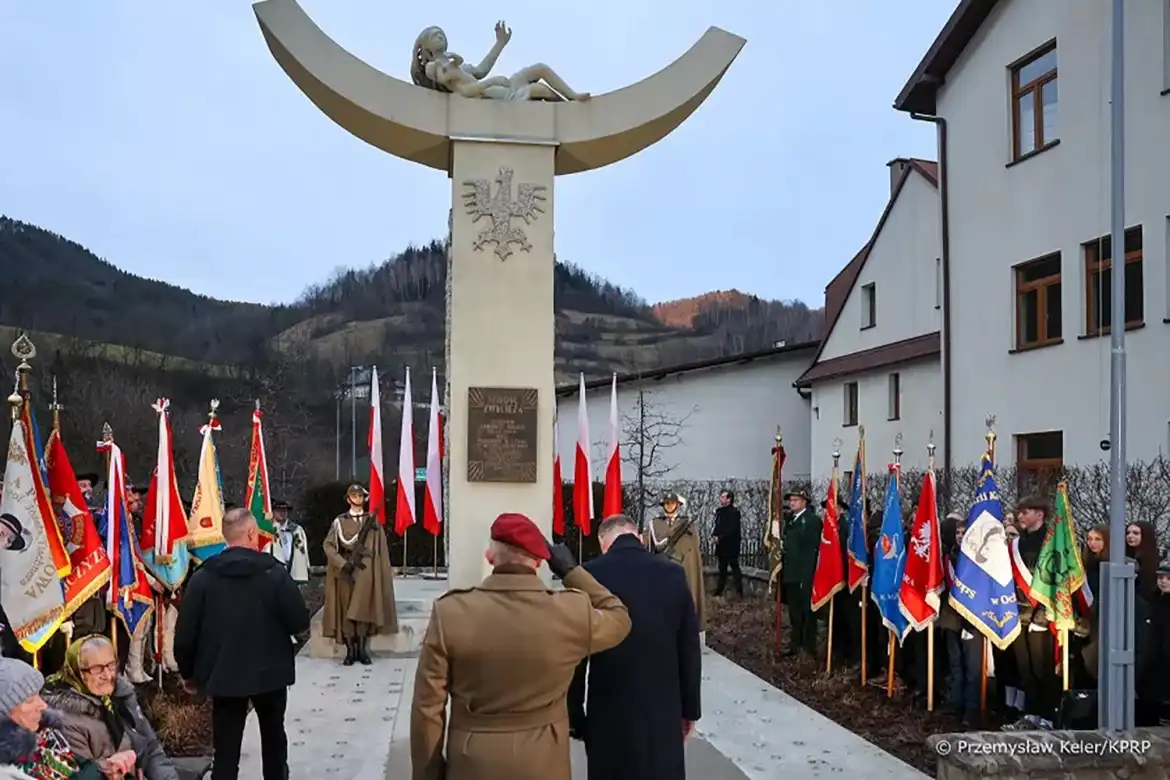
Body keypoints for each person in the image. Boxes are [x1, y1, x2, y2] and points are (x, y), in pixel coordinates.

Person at [410, 512, 631, 780]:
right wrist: (572, 572)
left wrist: (428, 774)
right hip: (544, 762)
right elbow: (619, 617)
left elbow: (427, 709)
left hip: (473, 762)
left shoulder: (450, 613)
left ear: (490, 557)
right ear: (539, 562)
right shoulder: (571, 612)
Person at [173, 507, 311, 780]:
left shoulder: (203, 578)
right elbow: (299, 621)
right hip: (271, 672)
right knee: (274, 740)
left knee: (225, 749)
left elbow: (186, 633)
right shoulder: (275, 573)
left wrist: (188, 673)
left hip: (224, 674)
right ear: (251, 533)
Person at [568, 514, 700, 780]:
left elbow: (576, 651)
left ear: (603, 543)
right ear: (639, 537)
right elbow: (688, 648)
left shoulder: (590, 576)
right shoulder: (673, 574)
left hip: (608, 709)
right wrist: (689, 710)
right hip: (662, 709)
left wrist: (574, 716)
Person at [42, 635, 178, 779]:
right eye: (96, 669)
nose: (107, 675)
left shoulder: (121, 697)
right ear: (76, 671)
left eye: (111, 665)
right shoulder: (66, 719)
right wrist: (109, 768)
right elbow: (82, 774)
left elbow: (150, 748)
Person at [0, 656, 117, 778]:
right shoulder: (7, 771)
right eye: (30, 700)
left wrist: (107, 770)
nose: (43, 705)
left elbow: (83, 768)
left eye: (38, 695)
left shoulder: (48, 737)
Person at [322, 484, 398, 666]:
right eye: (353, 496)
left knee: (364, 609)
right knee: (347, 610)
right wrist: (342, 563)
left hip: (366, 572)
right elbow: (329, 546)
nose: (357, 499)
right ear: (348, 499)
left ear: (365, 499)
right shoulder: (339, 522)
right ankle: (351, 651)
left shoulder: (372, 522)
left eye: (360, 496)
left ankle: (362, 650)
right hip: (346, 572)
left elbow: (379, 550)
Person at [1005, 495, 1061, 730]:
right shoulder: (1017, 544)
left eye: (1026, 512)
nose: (1021, 516)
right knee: (1025, 668)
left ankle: (1047, 716)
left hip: (1042, 614)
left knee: (1042, 668)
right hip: (1020, 613)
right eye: (1020, 512)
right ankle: (1031, 714)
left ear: (1040, 514)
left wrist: (1043, 611)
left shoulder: (1052, 542)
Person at [646, 493, 705, 637]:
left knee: (685, 599)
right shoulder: (655, 523)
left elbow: (693, 549)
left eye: (672, 503)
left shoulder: (687, 524)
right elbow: (651, 547)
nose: (669, 506)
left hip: (684, 568)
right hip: (662, 568)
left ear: (678, 505)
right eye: (666, 503)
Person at [780, 489, 820, 657]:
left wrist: (808, 574)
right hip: (791, 572)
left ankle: (808, 645)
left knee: (807, 612)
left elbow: (812, 549)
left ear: (805, 502)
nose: (792, 503)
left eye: (796, 500)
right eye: (791, 500)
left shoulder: (811, 521)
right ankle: (795, 643)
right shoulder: (791, 520)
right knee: (794, 612)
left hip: (804, 573)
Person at [264, 500, 309, 585]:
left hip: (292, 569)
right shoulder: (267, 530)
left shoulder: (296, 529)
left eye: (285, 510)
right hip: (273, 570)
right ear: (273, 511)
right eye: (279, 510)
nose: (282, 513)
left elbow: (303, 551)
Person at [711, 490, 743, 599]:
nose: (721, 499)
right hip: (721, 546)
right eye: (721, 497)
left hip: (731, 546)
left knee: (735, 569)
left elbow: (732, 529)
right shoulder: (719, 512)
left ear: (729, 499)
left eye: (723, 497)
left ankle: (739, 592)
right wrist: (714, 535)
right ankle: (718, 592)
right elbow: (718, 526)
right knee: (722, 570)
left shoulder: (734, 513)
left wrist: (720, 537)